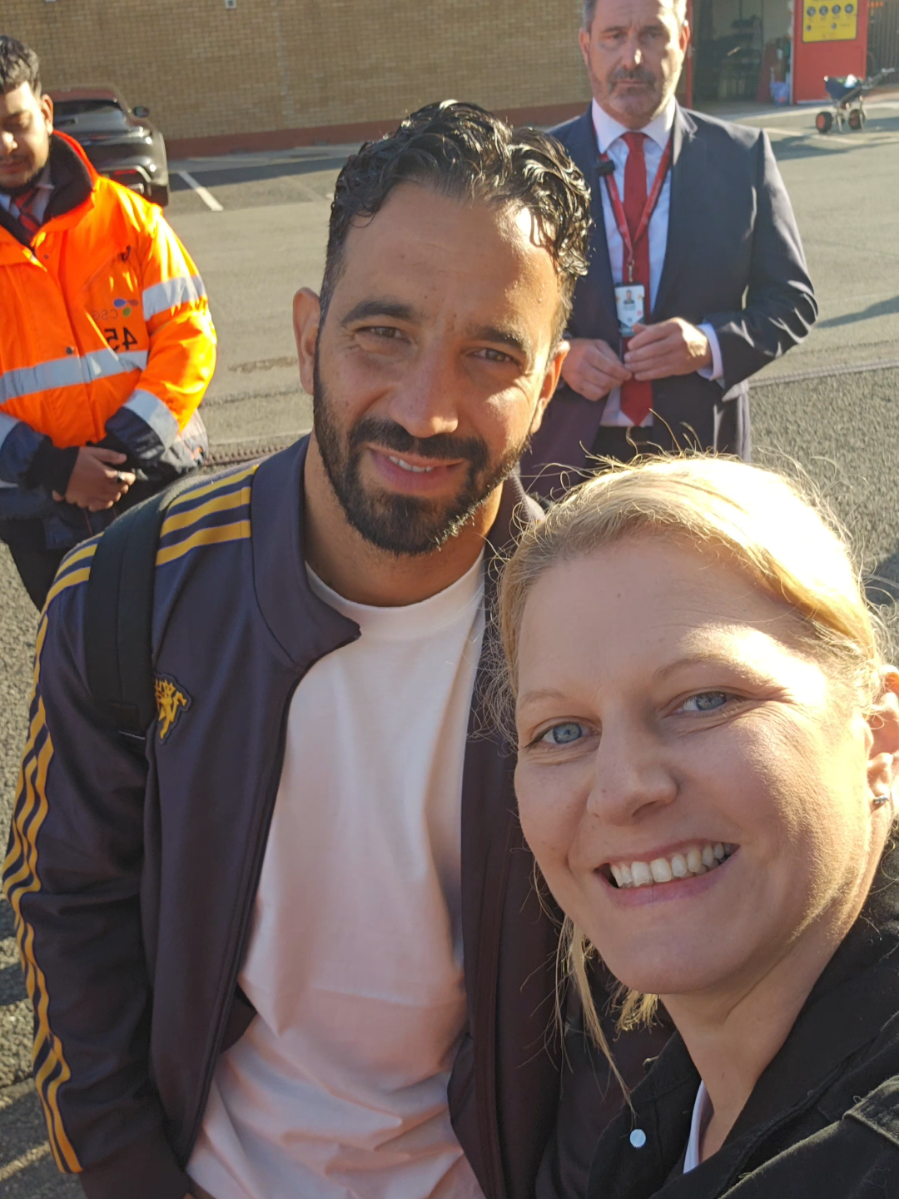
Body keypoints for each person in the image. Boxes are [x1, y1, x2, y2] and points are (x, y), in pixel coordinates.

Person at [2, 102, 667, 1199]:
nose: (425, 409)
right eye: (382, 333)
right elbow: (65, 903)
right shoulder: (131, 591)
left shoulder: (595, 634)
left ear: (547, 383)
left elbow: (631, 983)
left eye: (490, 354)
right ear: (308, 335)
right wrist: (129, 1172)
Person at [497, 455, 899, 1197]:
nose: (620, 789)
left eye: (704, 699)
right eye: (561, 731)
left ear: (876, 736)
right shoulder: (688, 1094)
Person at [519, 0, 817, 499]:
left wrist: (709, 343)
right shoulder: (532, 164)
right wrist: (559, 353)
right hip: (566, 456)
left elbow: (792, 302)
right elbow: (492, 310)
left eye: (652, 35)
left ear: (682, 40)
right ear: (586, 46)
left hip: (699, 457)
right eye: (614, 36)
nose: (632, 57)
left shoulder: (742, 158)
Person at [0, 35, 215, 609]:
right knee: (82, 666)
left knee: (188, 647)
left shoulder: (130, 220)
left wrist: (124, 447)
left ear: (44, 112)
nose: (4, 143)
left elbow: (188, 337)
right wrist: (53, 466)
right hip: (37, 503)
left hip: (156, 480)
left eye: (16, 122)